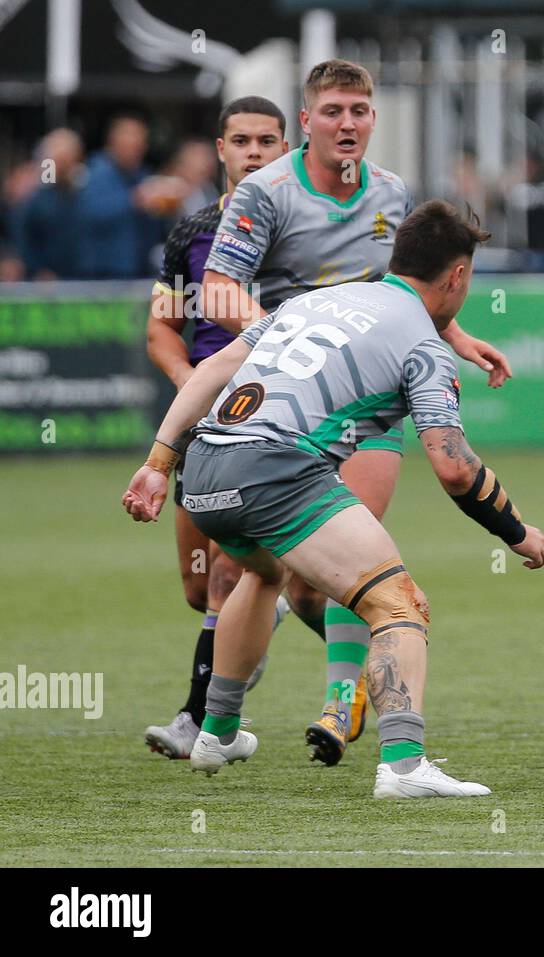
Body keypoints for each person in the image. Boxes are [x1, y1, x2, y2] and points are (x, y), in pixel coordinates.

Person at [123, 199, 544, 798]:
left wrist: (158, 463)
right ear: (457, 277)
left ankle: (217, 731)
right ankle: (404, 767)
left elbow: (211, 367)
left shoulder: (309, 302)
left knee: (263, 569)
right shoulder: (423, 343)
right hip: (274, 468)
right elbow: (454, 468)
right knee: (400, 605)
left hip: (206, 465)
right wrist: (517, 532)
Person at [200, 59, 512, 765]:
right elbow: (218, 291)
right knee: (252, 573)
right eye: (333, 111)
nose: (348, 123)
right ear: (305, 122)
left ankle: (341, 701)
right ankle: (213, 717)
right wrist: (278, 338)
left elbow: (406, 292)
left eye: (360, 111)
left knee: (355, 549)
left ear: (374, 118)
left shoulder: (393, 193)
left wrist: (457, 339)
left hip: (362, 403)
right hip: (281, 396)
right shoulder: (266, 192)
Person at [142, 96, 293, 759]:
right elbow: (161, 329)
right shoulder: (190, 233)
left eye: (267, 140)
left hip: (276, 419)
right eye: (242, 141)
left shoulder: (303, 234)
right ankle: (271, 607)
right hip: (200, 419)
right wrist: (187, 384)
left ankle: (199, 718)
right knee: (199, 584)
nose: (254, 152)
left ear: (287, 149)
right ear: (221, 149)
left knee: (232, 575)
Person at [77, 114, 170, 278]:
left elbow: (153, 227)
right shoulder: (96, 171)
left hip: (137, 269)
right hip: (101, 272)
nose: (136, 149)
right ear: (113, 142)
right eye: (130, 142)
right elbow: (88, 213)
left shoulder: (142, 175)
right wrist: (133, 200)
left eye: (140, 143)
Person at [14, 129, 84, 280]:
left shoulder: (85, 194)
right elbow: (24, 239)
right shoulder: (37, 199)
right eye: (59, 158)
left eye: (67, 157)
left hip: (83, 277)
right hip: (46, 280)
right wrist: (38, 269)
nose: (63, 163)